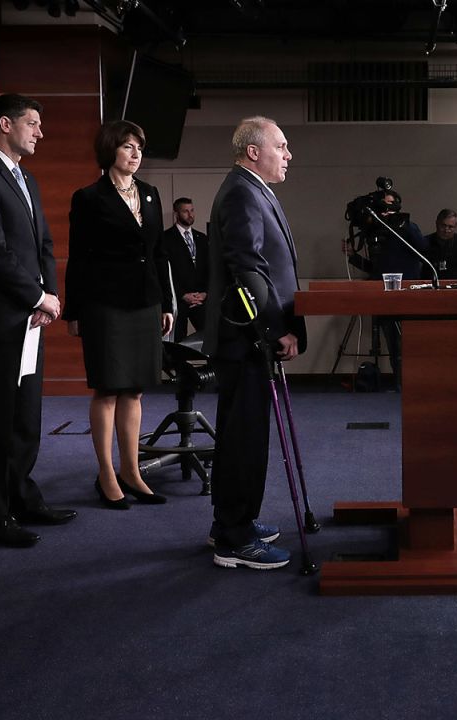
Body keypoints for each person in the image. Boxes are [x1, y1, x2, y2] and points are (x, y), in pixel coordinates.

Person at [0, 94, 77, 548]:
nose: (40, 132)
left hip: (31, 318)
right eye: (33, 123)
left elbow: (43, 242)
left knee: (26, 414)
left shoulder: (25, 177)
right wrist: (35, 295)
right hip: (1, 317)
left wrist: (51, 294)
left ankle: (23, 496)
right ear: (5, 124)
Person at [202, 116, 305, 569]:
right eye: (280, 146)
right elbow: (248, 268)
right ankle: (235, 538)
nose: (287, 154)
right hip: (246, 338)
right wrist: (273, 329)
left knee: (241, 436)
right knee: (244, 439)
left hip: (248, 337)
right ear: (252, 152)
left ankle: (229, 521)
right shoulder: (243, 192)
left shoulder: (252, 189)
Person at [63, 120, 175, 510]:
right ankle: (106, 473)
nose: (135, 154)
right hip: (104, 304)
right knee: (108, 387)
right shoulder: (89, 198)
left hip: (145, 302)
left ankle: (132, 470)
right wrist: (73, 310)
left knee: (136, 388)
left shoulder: (151, 194)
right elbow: (78, 258)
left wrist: (167, 303)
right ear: (111, 149)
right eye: (128, 147)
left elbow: (160, 253)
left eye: (139, 148)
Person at [343, 187, 428, 391]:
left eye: (390, 205)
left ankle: (414, 385)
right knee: (393, 345)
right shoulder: (375, 234)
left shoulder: (407, 227)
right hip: (384, 296)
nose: (385, 210)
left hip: (408, 296)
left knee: (408, 345)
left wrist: (402, 225)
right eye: (382, 206)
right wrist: (353, 257)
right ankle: (400, 385)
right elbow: (376, 269)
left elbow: (424, 250)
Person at [163, 196, 209, 340]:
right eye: (185, 211)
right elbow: (165, 272)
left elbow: (209, 269)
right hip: (178, 300)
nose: (190, 215)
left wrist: (205, 293)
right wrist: (182, 294)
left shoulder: (202, 238)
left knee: (210, 337)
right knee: (176, 343)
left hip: (201, 300)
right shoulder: (165, 239)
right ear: (177, 214)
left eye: (192, 210)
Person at [423, 209, 457, 282]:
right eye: (443, 225)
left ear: (455, 227)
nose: (446, 230)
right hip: (431, 287)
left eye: (450, 227)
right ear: (437, 223)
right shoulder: (426, 242)